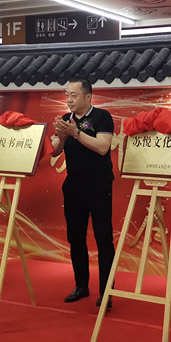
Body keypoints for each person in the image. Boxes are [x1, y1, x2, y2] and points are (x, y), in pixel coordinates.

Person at [51, 78, 115, 307]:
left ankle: (106, 292)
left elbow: (102, 147)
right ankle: (81, 285)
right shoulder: (66, 119)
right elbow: (54, 151)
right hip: (73, 188)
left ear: (88, 97)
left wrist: (76, 133)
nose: (69, 100)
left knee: (103, 238)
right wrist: (62, 136)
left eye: (74, 95)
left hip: (99, 187)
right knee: (75, 237)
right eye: (67, 95)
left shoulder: (102, 117)